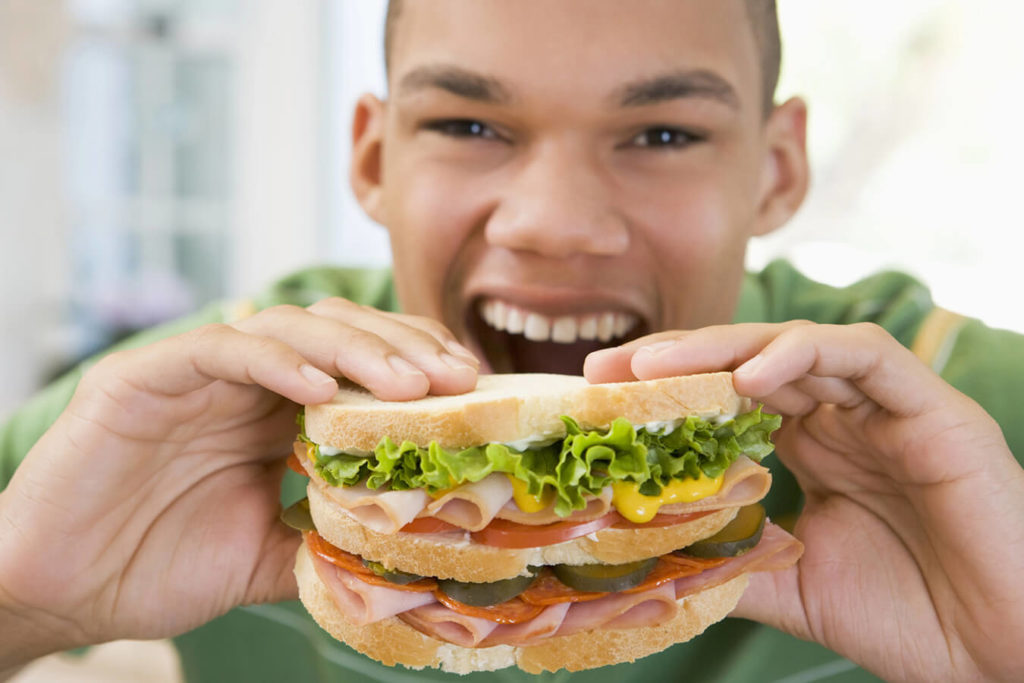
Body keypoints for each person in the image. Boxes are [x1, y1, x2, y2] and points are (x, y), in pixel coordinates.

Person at [2, 1, 1023, 681]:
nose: (554, 223)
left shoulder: (957, 416)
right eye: (469, 125)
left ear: (776, 169)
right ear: (372, 157)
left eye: (664, 134)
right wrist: (22, 602)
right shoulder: (180, 412)